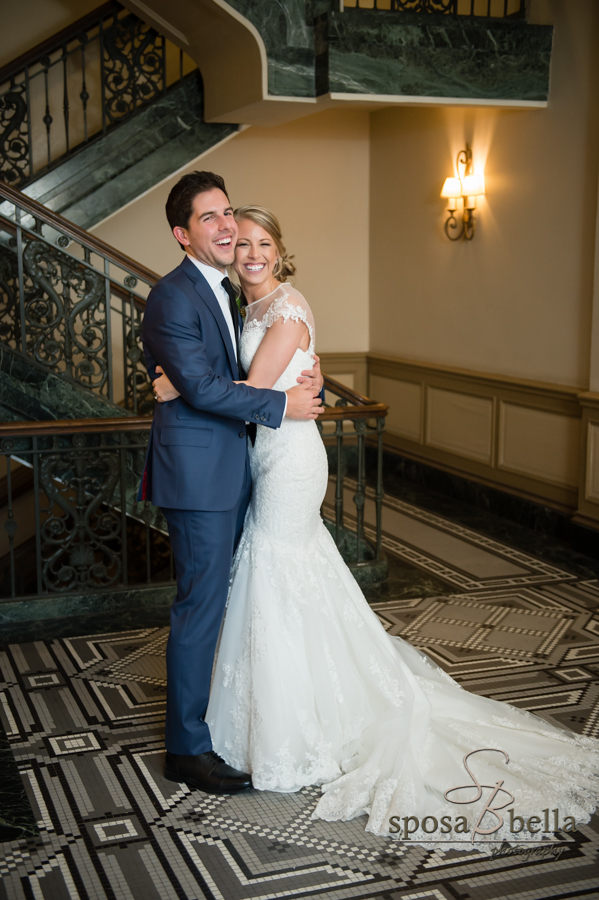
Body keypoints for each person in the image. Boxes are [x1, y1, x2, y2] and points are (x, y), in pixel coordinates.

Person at [152, 205, 599, 848]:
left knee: (278, 569)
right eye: (239, 240)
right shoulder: (238, 305)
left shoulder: (285, 307)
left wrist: (186, 390)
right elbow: (251, 387)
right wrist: (216, 387)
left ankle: (302, 724)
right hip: (262, 452)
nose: (249, 252)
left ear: (280, 250)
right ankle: (270, 714)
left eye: (261, 242)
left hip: (287, 461)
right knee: (279, 576)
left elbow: (247, 389)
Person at [139, 172, 324, 798]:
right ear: (182, 234)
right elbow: (207, 385)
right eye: (210, 218)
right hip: (200, 479)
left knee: (235, 597)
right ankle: (186, 749)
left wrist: (303, 374)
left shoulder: (226, 292)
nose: (225, 227)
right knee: (199, 609)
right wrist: (282, 406)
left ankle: (238, 719)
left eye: (227, 214)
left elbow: (226, 373)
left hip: (239, 465)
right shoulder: (174, 295)